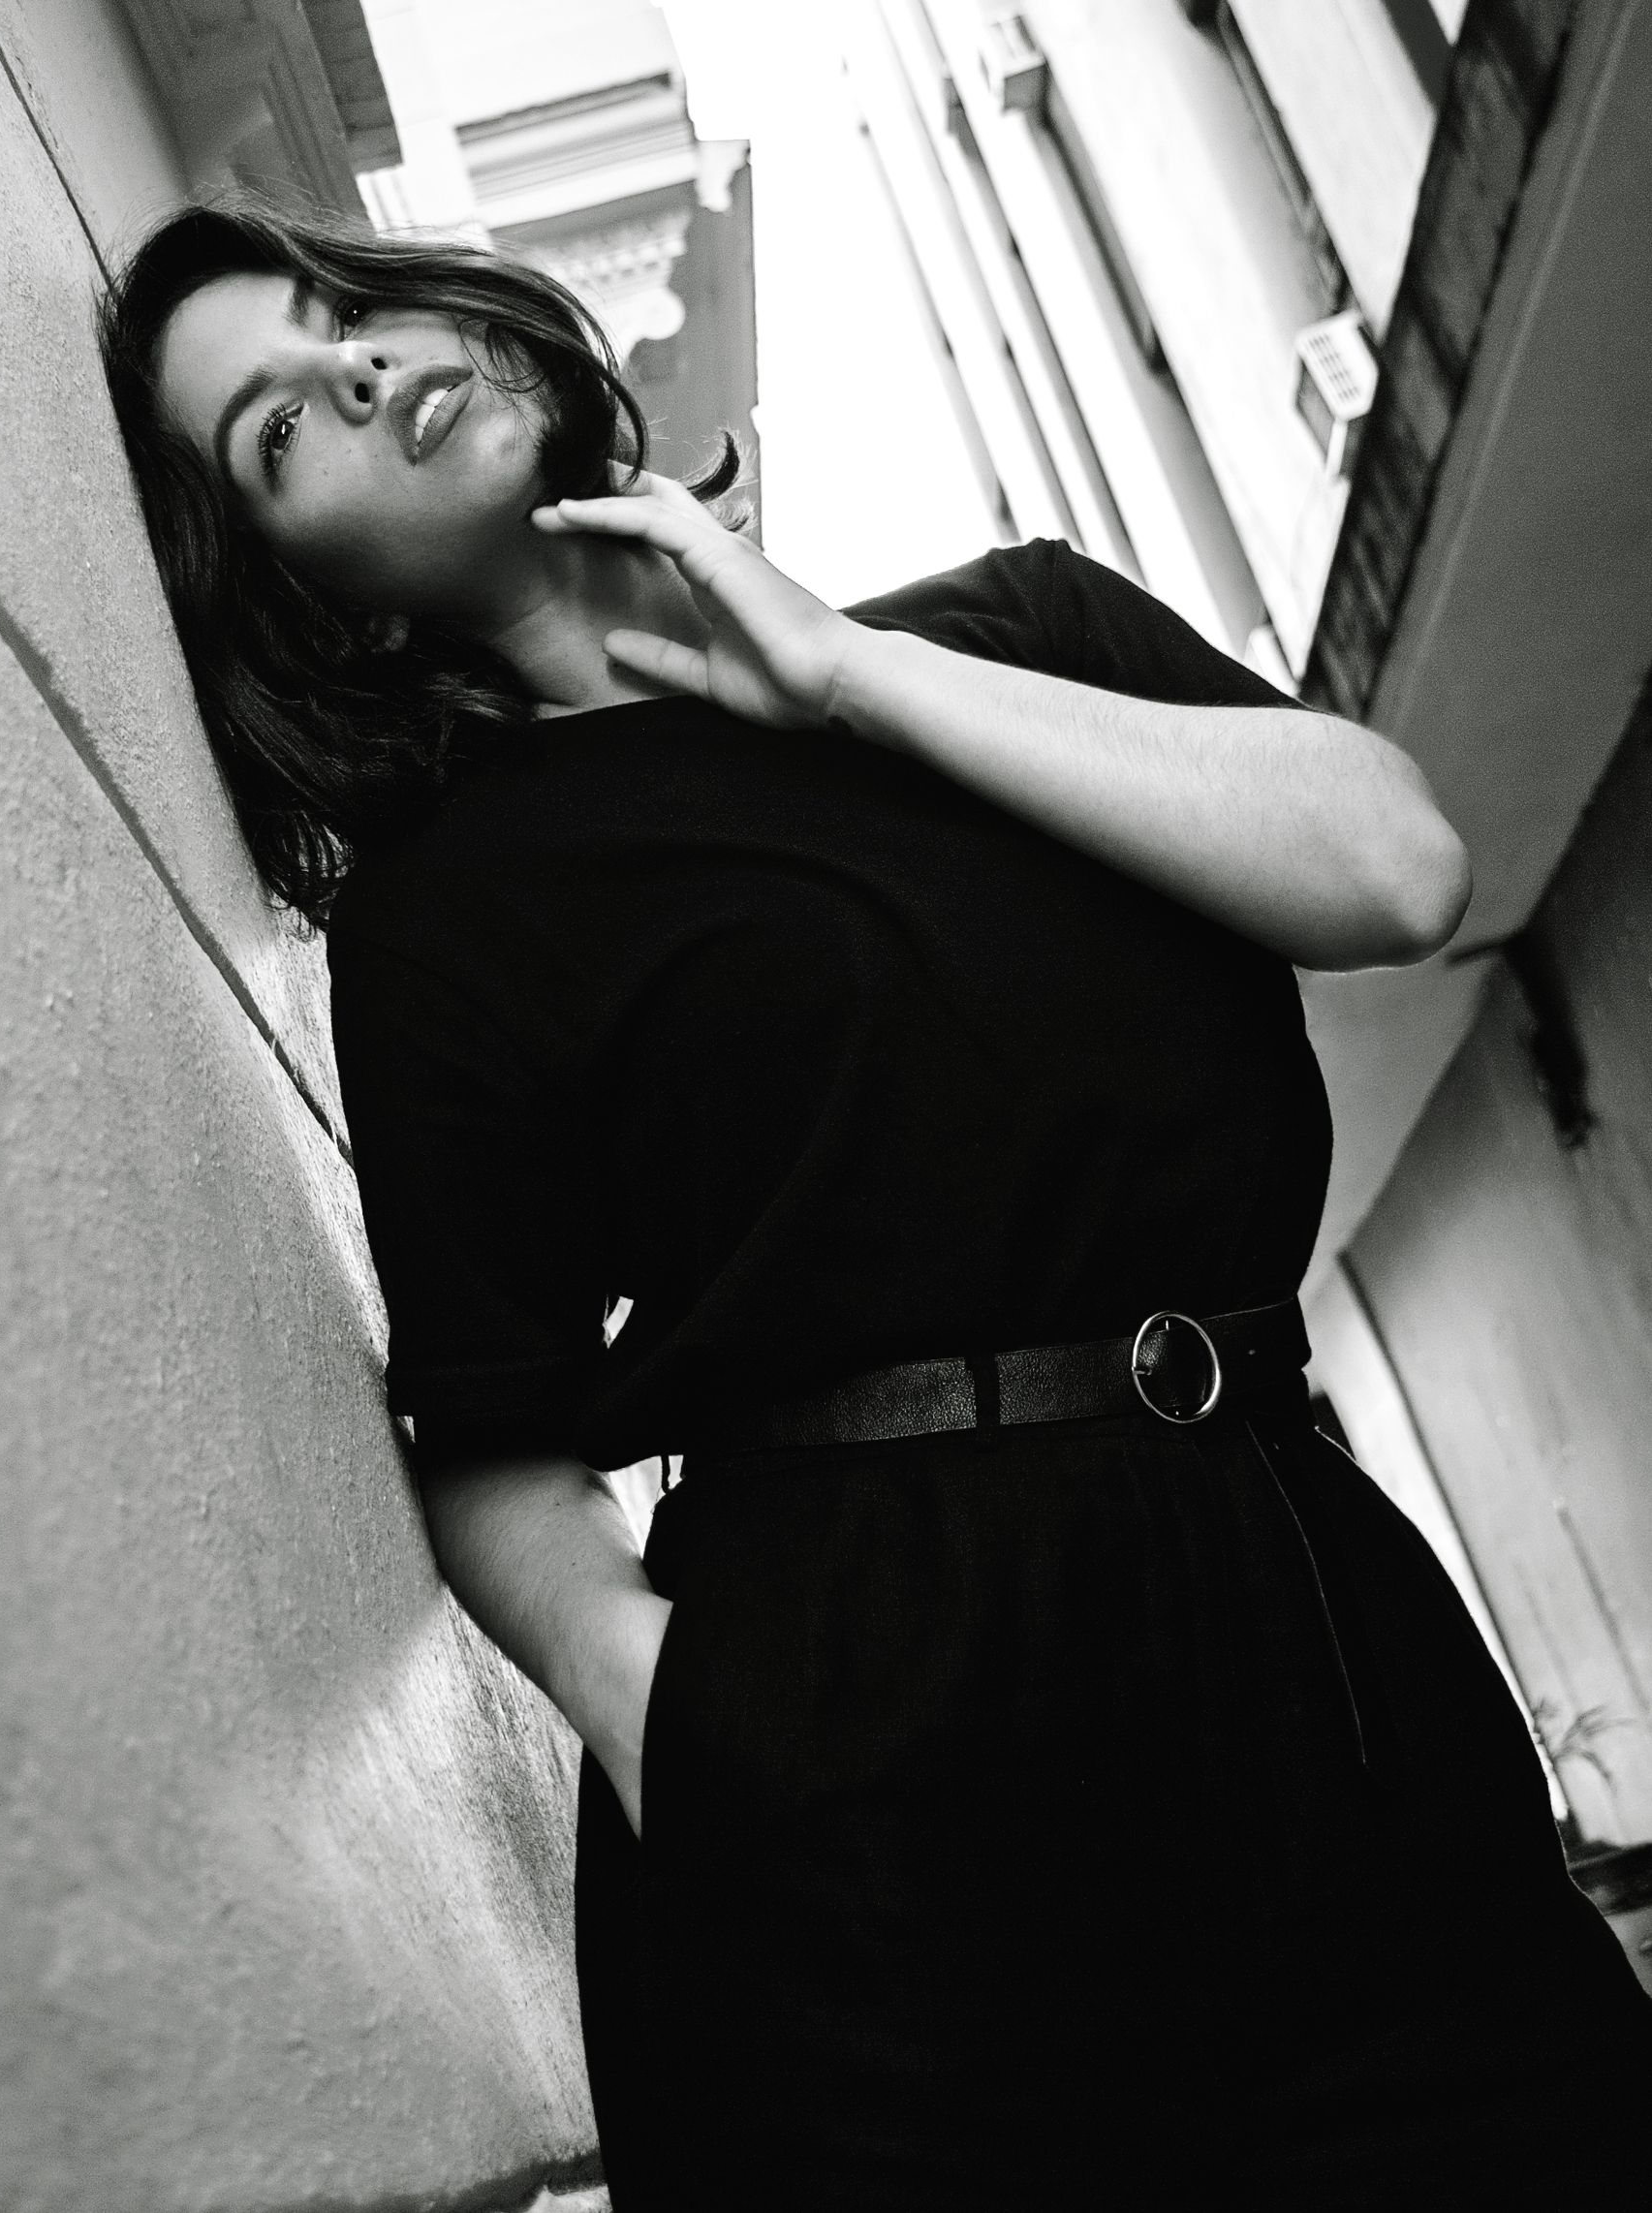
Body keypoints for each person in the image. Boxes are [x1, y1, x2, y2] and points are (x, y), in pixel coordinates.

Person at [102, 197, 1651, 2204]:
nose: (359, 364)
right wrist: (676, 1725)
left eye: (341, 309)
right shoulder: (443, 921)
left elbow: (1393, 868)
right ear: (330, 609)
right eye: (277, 427)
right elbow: (490, 1436)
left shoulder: (1019, 630)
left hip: (1302, 1585)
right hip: (872, 1696)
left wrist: (846, 672)